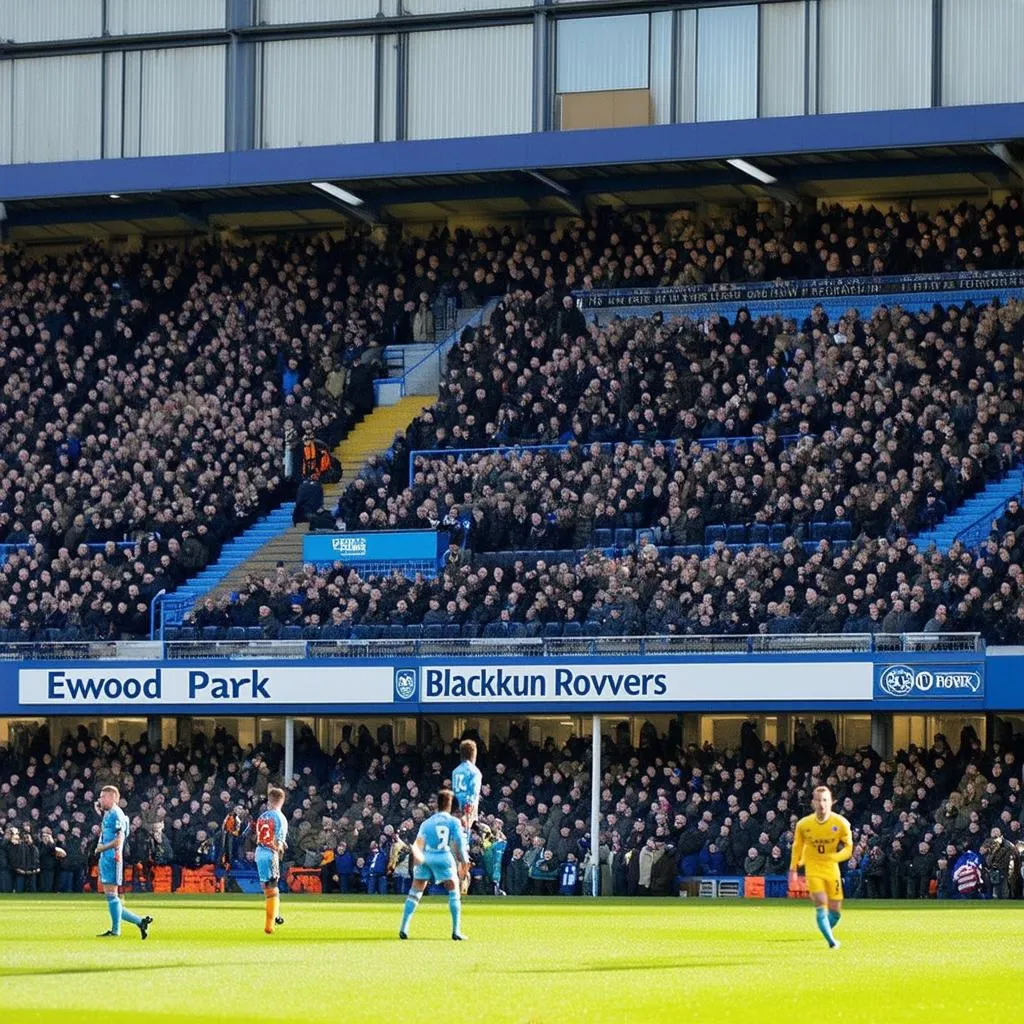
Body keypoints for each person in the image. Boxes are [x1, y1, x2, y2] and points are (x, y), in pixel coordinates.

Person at [399, 788, 467, 941]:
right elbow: (459, 845)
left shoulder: (426, 823)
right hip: (443, 857)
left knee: (415, 892)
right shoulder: (453, 822)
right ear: (450, 804)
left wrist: (416, 864)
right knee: (454, 891)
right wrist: (464, 862)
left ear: (437, 805)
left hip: (426, 857)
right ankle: (456, 931)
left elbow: (417, 845)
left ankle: (404, 927)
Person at [788, 785, 852, 949]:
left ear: (831, 802)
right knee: (821, 904)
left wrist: (835, 857)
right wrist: (793, 869)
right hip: (813, 870)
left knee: (836, 913)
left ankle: (825, 930)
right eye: (818, 800)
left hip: (832, 870)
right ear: (813, 803)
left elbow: (848, 848)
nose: (822, 804)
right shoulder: (804, 825)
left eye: (825, 800)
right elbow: (797, 847)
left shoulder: (841, 823)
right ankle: (831, 941)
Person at [94, 786, 152, 940]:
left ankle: (115, 930)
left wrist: (102, 848)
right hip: (106, 856)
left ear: (113, 798)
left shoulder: (117, 814)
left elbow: (119, 839)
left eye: (103, 797)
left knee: (112, 896)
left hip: (112, 857)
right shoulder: (109, 814)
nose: (100, 800)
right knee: (110, 896)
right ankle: (140, 922)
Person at [249, 788, 288, 935]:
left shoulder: (262, 816)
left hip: (259, 851)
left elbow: (258, 836)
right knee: (273, 889)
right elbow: (279, 841)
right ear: (282, 801)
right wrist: (280, 851)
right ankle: (269, 925)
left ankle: (276, 914)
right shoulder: (280, 818)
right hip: (270, 853)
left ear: (269, 800)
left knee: (266, 885)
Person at [451, 739, 485, 893]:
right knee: (463, 847)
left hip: (454, 812)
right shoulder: (475, 772)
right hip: (465, 812)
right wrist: (469, 815)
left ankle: (456, 882)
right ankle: (462, 882)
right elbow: (472, 795)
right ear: (474, 754)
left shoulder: (456, 771)